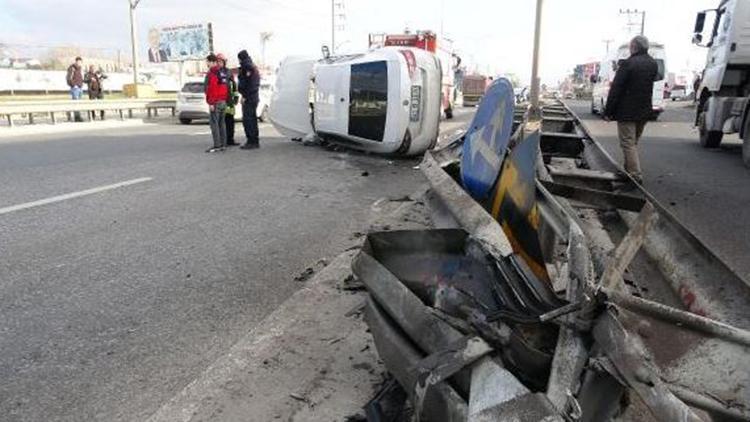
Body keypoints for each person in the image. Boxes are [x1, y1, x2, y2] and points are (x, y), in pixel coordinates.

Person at [604, 35, 658, 184]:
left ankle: (635, 175)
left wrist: (608, 111)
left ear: (634, 47)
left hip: (626, 111)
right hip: (644, 110)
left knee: (628, 143)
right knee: (633, 142)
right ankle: (628, 171)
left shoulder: (629, 64)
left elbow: (616, 88)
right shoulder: (653, 64)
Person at [204, 53, 230, 153]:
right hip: (223, 101)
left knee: (214, 124)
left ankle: (217, 145)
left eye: (208, 62)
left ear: (212, 62)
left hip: (215, 102)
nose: (207, 64)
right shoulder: (222, 72)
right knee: (222, 123)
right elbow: (225, 88)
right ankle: (223, 144)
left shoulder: (212, 73)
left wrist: (211, 103)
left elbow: (212, 89)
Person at [237, 50, 260, 149]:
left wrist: (245, 96)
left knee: (248, 120)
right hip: (252, 97)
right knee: (252, 119)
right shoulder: (251, 66)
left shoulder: (247, 67)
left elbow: (250, 85)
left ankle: (251, 141)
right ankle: (254, 141)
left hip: (249, 98)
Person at [218, 54, 239, 146]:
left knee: (230, 122)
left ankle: (230, 139)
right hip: (220, 101)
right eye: (218, 61)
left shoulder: (228, 72)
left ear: (224, 62)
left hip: (229, 101)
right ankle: (222, 140)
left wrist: (236, 97)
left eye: (221, 61)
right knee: (221, 121)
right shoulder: (215, 72)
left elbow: (234, 86)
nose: (219, 63)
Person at [66, 57, 84, 122]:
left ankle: (78, 116)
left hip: (80, 88)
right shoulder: (72, 68)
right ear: (76, 62)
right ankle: (77, 117)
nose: (79, 63)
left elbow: (81, 78)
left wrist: (81, 84)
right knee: (76, 103)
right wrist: (74, 85)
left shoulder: (80, 69)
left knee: (79, 103)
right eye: (78, 62)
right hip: (75, 88)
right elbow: (69, 79)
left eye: (80, 62)